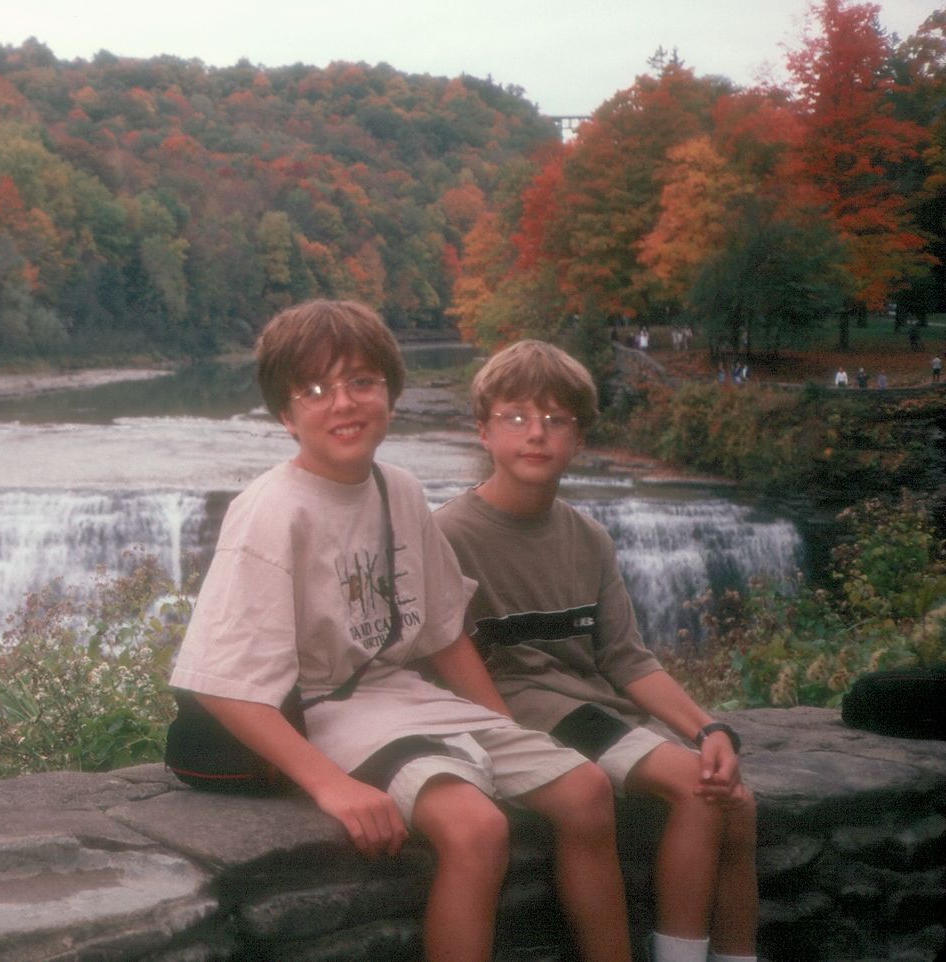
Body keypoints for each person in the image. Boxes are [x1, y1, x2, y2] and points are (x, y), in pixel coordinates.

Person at [170, 302, 631, 962]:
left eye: (362, 381)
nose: (344, 404)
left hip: (405, 699)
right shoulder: (271, 512)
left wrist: (504, 730)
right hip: (326, 713)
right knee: (477, 831)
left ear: (390, 391)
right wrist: (330, 784)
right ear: (284, 414)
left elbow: (444, 634)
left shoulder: (400, 491)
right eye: (315, 389)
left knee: (586, 792)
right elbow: (220, 685)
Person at [434, 340, 758, 962]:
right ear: (483, 431)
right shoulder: (449, 535)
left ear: (578, 439)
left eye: (557, 421)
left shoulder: (590, 537)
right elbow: (443, 663)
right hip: (526, 715)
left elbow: (627, 660)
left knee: (738, 804)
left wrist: (710, 726)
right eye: (517, 418)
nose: (537, 435)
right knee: (699, 789)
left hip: (594, 709)